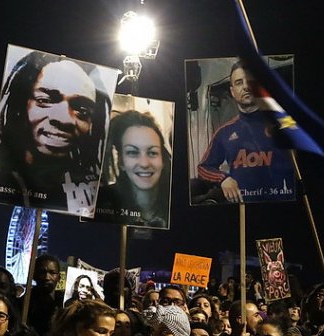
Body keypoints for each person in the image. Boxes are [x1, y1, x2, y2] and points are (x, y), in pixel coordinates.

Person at [0, 50, 111, 215]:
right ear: (19, 106)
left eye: (82, 110)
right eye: (45, 101)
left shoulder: (92, 188)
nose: (64, 119)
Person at [195, 61, 294, 204]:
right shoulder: (224, 132)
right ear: (232, 92)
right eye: (239, 82)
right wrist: (223, 179)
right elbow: (203, 168)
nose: (246, 87)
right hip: (244, 212)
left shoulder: (285, 122)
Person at [94, 109, 171, 227]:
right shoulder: (99, 204)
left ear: (163, 160)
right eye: (132, 152)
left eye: (152, 153)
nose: (144, 163)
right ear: (121, 162)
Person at [18, 254, 63, 336]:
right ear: (34, 275)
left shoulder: (65, 302)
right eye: (42, 272)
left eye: (52, 273)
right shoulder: (23, 303)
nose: (47, 277)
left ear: (59, 277)